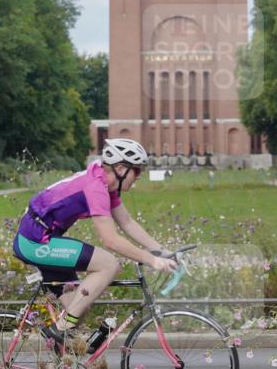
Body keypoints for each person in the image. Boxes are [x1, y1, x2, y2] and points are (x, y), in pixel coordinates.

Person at [13, 138, 177, 350]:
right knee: (109, 264)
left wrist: (162, 252)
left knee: (80, 307)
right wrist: (151, 260)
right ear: (120, 168)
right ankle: (59, 329)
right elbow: (110, 240)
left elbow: (126, 222)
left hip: (44, 239)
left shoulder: (105, 185)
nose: (139, 176)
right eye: (137, 171)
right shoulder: (95, 187)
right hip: (34, 241)